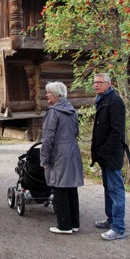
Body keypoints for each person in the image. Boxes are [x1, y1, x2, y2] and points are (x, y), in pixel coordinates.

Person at [39, 82, 84, 234]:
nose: (46, 95)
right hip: (73, 150)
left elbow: (47, 138)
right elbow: (76, 132)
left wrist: (43, 159)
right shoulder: (72, 110)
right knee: (71, 187)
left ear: (57, 95)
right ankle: (74, 223)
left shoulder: (54, 112)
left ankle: (64, 226)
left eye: (49, 93)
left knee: (59, 187)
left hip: (59, 153)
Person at [90, 72, 130, 241]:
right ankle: (110, 219)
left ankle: (118, 228)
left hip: (112, 154)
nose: (96, 85)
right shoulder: (103, 101)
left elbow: (117, 131)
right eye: (95, 82)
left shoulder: (115, 101)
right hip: (105, 155)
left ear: (108, 84)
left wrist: (105, 150)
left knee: (116, 190)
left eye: (99, 82)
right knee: (108, 188)